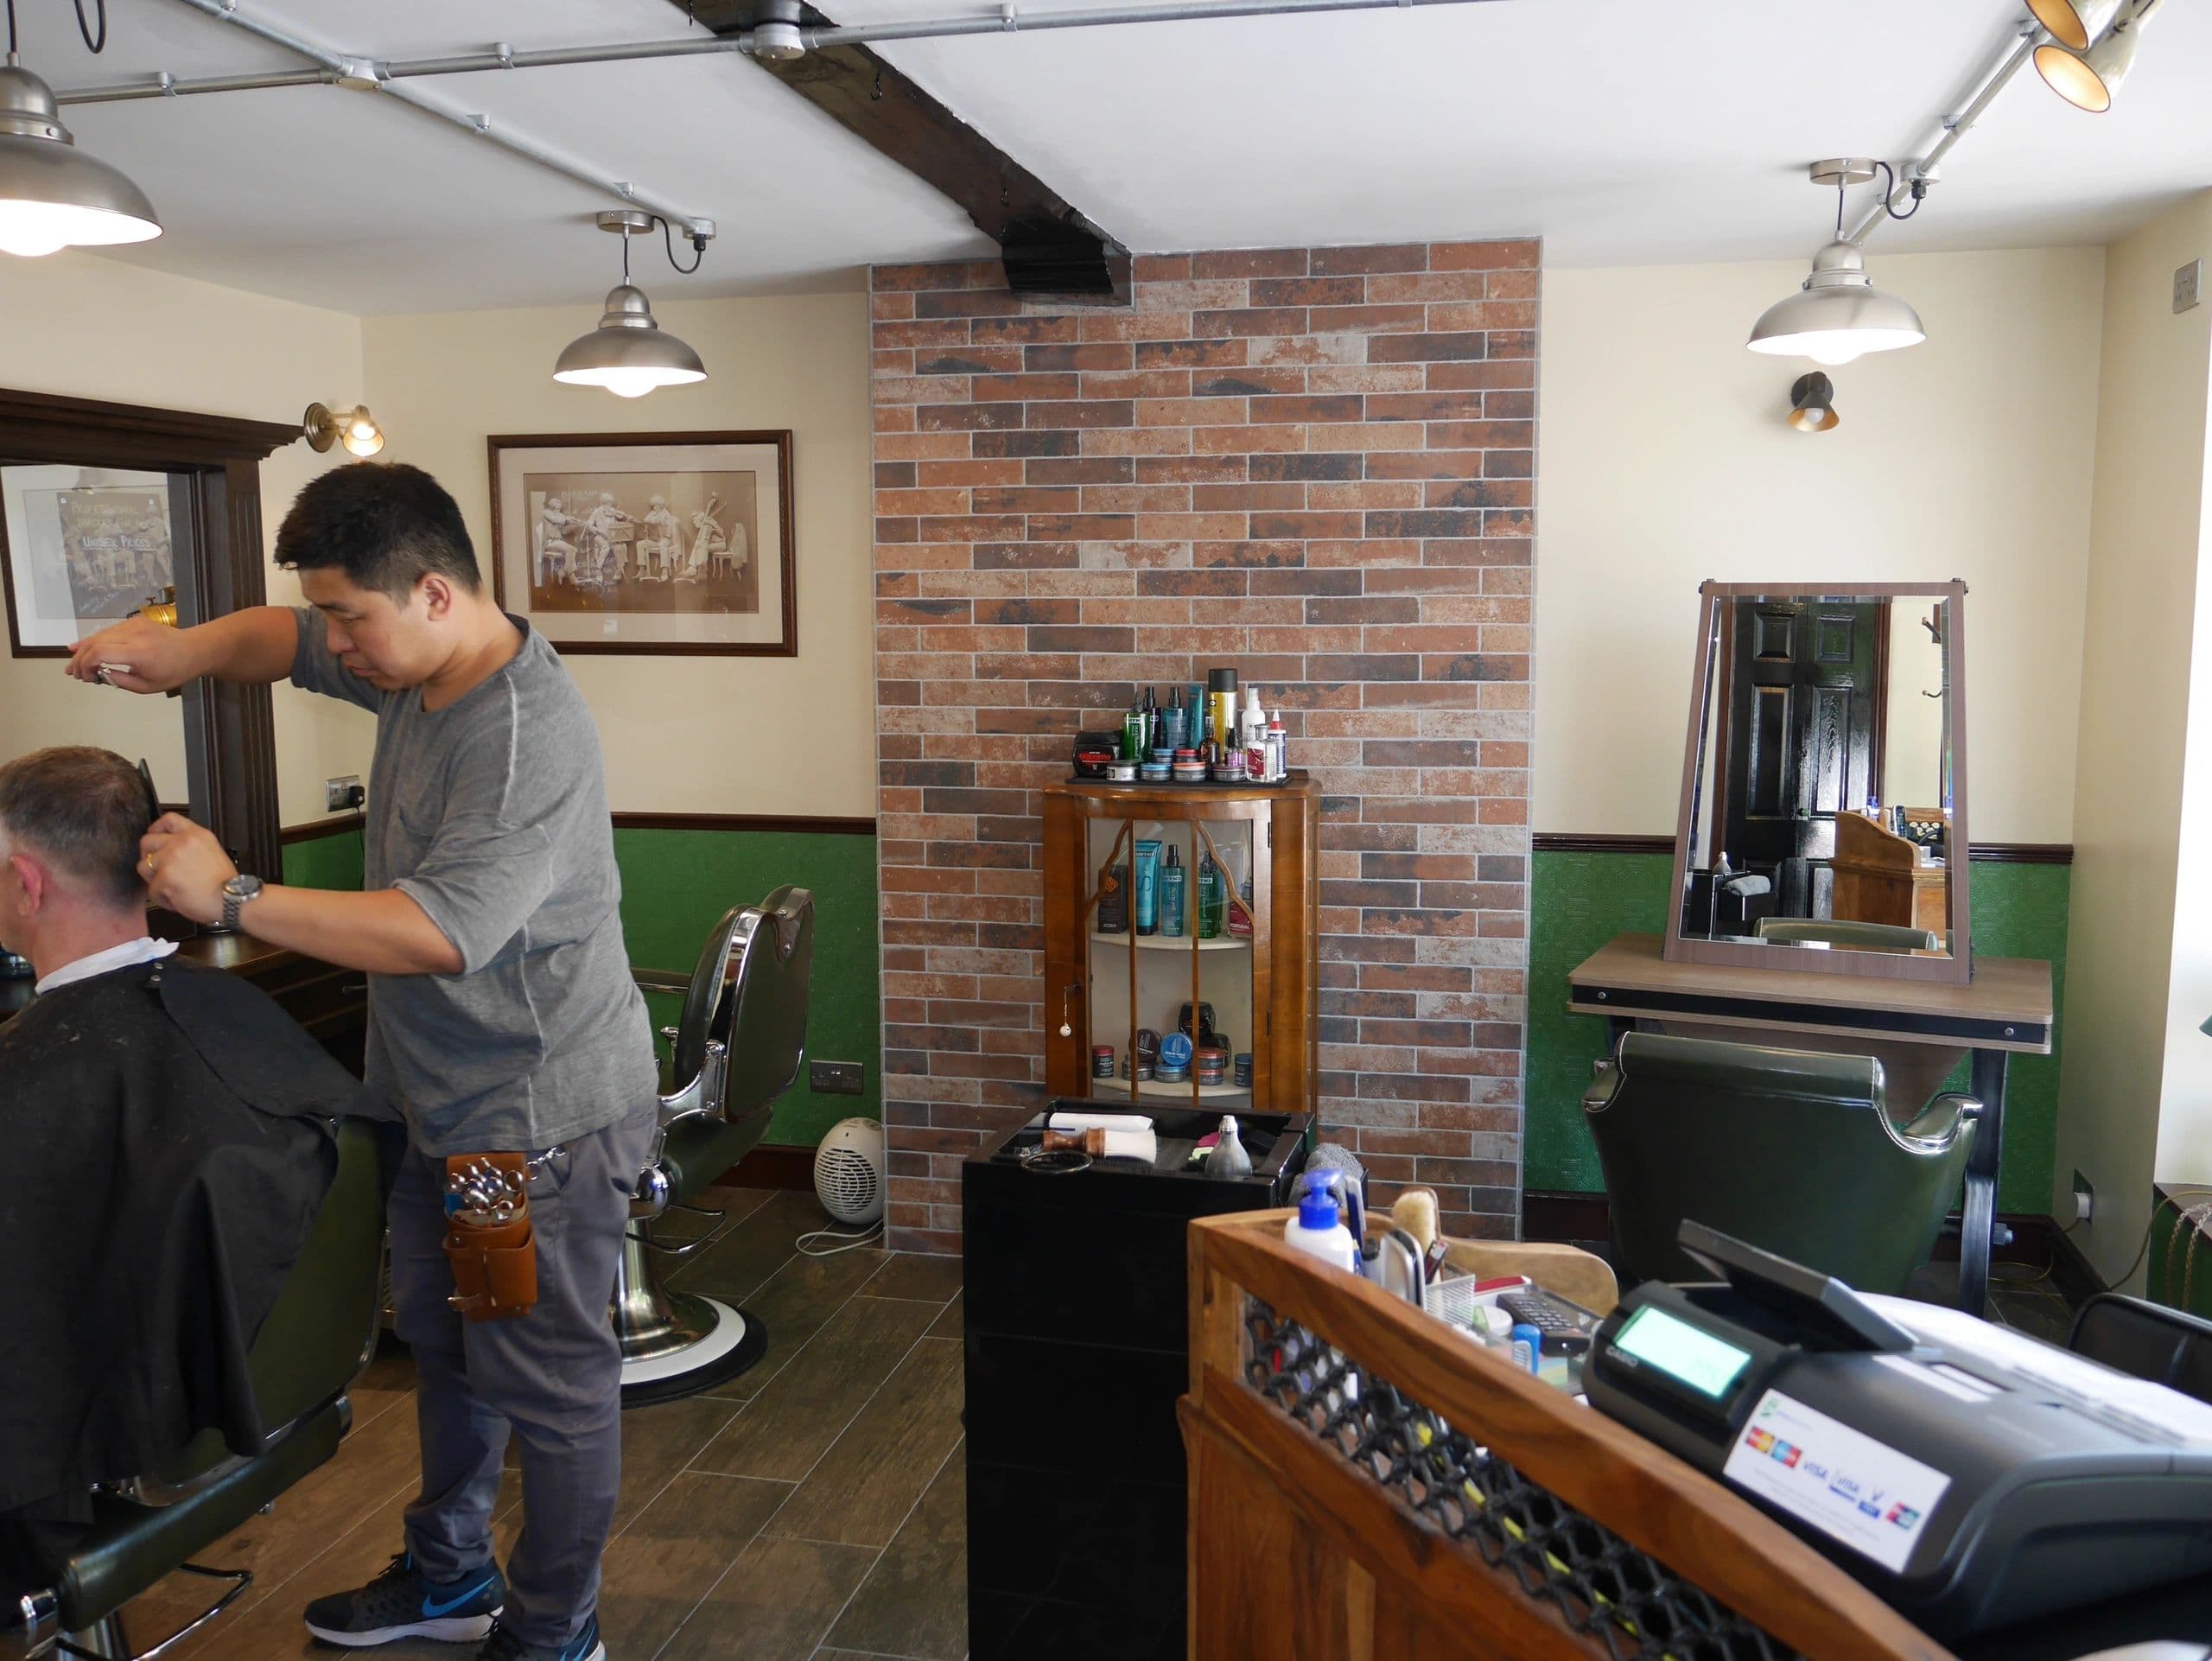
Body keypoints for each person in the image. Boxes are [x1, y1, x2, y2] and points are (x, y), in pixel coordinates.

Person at [66, 462, 658, 1661]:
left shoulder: (519, 739)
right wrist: (180, 652)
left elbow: (440, 931)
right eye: (338, 615)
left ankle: (557, 1631)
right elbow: (280, 635)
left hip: (525, 1124)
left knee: (544, 1381)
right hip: (437, 1104)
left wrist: (230, 893)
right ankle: (450, 1577)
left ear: (434, 592)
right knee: (448, 1343)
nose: (339, 644)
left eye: (354, 618)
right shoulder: (418, 659)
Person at [0, 747, 349, 1607]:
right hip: (259, 1399)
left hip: (82, 1465)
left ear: (24, 882)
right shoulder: (232, 1011)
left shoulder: (41, 1079)